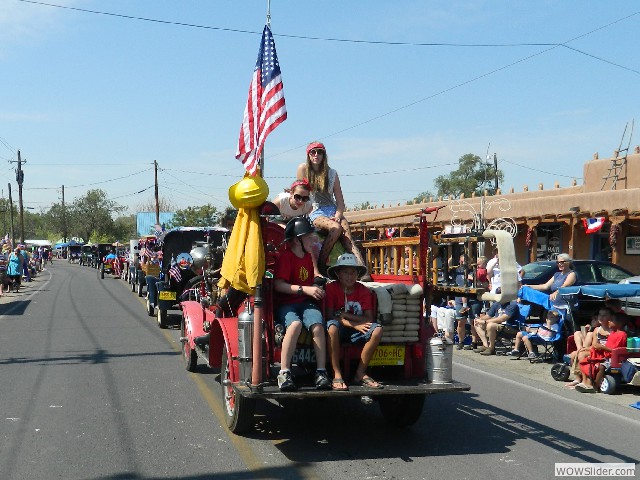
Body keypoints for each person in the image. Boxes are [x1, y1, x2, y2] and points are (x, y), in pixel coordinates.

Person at [273, 216, 331, 392]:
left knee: (318, 325)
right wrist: (305, 290)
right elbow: (278, 284)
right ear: (297, 240)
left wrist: (315, 286)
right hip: (287, 304)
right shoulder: (286, 257)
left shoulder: (307, 257)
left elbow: (309, 279)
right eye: (308, 237)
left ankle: (321, 372)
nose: (313, 240)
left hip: (305, 302)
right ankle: (284, 372)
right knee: (295, 324)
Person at [296, 141, 365, 276]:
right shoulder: (303, 169)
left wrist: (338, 215)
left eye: (320, 152)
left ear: (324, 155)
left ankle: (362, 268)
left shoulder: (332, 173)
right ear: (308, 155)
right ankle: (322, 265)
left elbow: (340, 203)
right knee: (336, 228)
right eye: (313, 152)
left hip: (332, 209)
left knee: (347, 236)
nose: (316, 155)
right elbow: (299, 191)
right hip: (315, 209)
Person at [325, 253, 383, 391]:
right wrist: (354, 324)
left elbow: (368, 318)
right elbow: (330, 316)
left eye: (353, 273)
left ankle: (360, 372)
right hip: (341, 328)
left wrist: (345, 315)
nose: (349, 276)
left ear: (357, 274)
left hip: (357, 329)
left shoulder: (363, 290)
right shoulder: (331, 288)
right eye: (345, 272)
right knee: (332, 327)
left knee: (377, 330)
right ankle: (336, 374)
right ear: (338, 273)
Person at [272, 179, 322, 278]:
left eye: (304, 198)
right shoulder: (281, 201)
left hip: (294, 223)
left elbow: (308, 221)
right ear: (291, 193)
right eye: (297, 197)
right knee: (286, 233)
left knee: (308, 241)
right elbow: (268, 216)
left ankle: (315, 272)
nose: (300, 201)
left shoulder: (307, 206)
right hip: (277, 222)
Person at [575, 311, 628, 393]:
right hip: (604, 355)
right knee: (587, 360)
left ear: (619, 323)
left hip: (612, 359)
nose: (609, 322)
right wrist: (598, 348)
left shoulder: (621, 335)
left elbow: (615, 351)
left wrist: (601, 347)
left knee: (600, 366)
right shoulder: (613, 333)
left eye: (611, 320)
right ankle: (585, 382)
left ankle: (594, 386)